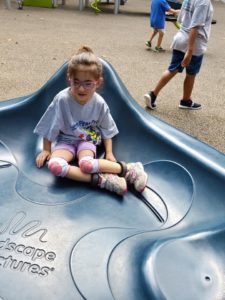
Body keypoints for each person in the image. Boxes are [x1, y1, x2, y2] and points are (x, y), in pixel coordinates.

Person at [34, 46, 147, 196]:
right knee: (55, 165)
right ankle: (103, 180)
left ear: (97, 82)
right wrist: (47, 149)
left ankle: (129, 169)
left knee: (86, 164)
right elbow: (49, 124)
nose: (81, 88)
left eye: (88, 83)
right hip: (66, 141)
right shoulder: (62, 100)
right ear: (69, 79)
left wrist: (109, 153)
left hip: (87, 140)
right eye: (76, 82)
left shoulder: (99, 103)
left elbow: (107, 129)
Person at [144, 0, 213, 110]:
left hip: (180, 38)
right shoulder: (204, 2)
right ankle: (185, 101)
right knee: (191, 73)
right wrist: (190, 51)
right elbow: (195, 26)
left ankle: (153, 94)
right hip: (195, 43)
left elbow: (181, 18)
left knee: (172, 69)